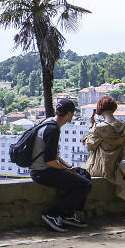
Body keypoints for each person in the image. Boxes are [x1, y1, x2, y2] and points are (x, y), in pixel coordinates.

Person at [30, 98, 92, 232]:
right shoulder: (53, 130)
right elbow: (50, 161)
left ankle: (68, 215)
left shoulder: (49, 123)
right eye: (73, 113)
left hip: (43, 169)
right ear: (69, 114)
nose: (73, 116)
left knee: (84, 175)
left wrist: (70, 168)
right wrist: (68, 171)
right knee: (85, 184)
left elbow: (54, 156)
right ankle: (52, 213)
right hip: (42, 172)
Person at [82, 96, 125, 204]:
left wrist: (91, 126)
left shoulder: (99, 128)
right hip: (118, 167)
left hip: (102, 168)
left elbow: (89, 146)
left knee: (81, 172)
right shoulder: (123, 125)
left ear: (100, 109)